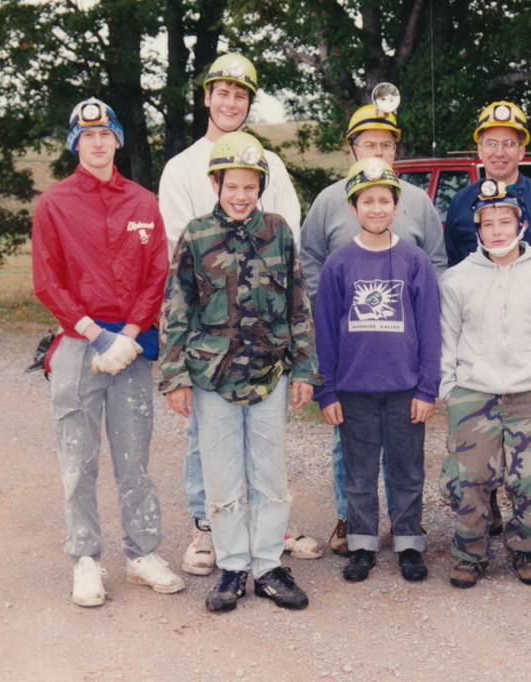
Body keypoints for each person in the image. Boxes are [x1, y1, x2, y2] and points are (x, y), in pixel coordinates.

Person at [157, 53, 319, 575]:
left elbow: (288, 265)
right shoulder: (181, 168)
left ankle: (268, 546)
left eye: (241, 95)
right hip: (211, 354)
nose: (230, 102)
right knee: (210, 450)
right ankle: (213, 535)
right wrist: (177, 370)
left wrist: (301, 363)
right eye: (221, 92)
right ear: (207, 97)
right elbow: (180, 280)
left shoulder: (268, 165)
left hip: (265, 353)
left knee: (267, 457)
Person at [32, 97, 185, 607]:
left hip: (132, 344)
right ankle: (85, 559)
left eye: (105, 134)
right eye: (86, 135)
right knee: (78, 459)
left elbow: (155, 275)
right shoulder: (54, 204)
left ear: (117, 138)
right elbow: (47, 281)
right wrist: (96, 335)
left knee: (134, 458)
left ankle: (142, 553)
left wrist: (132, 331)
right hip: (80, 344)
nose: (97, 142)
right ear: (76, 142)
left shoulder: (143, 202)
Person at [300, 100, 446, 555]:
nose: (377, 150)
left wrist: (427, 381)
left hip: (402, 361)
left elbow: (436, 266)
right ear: (352, 148)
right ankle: (352, 527)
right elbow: (310, 260)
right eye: (368, 144)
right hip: (353, 364)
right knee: (354, 457)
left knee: (406, 461)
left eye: (386, 144)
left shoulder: (418, 202)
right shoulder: (329, 201)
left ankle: (406, 536)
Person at [439, 181, 531, 588]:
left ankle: (527, 549)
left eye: (506, 221)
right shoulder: (457, 279)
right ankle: (471, 553)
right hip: (475, 394)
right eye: (489, 224)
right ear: (478, 229)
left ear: (522, 224)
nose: (498, 230)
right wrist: (450, 391)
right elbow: (445, 342)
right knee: (468, 480)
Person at [443, 101, 531, 289]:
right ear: (480, 150)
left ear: (521, 151)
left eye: (509, 144)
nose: (499, 152)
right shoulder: (460, 202)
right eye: (491, 144)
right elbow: (452, 267)